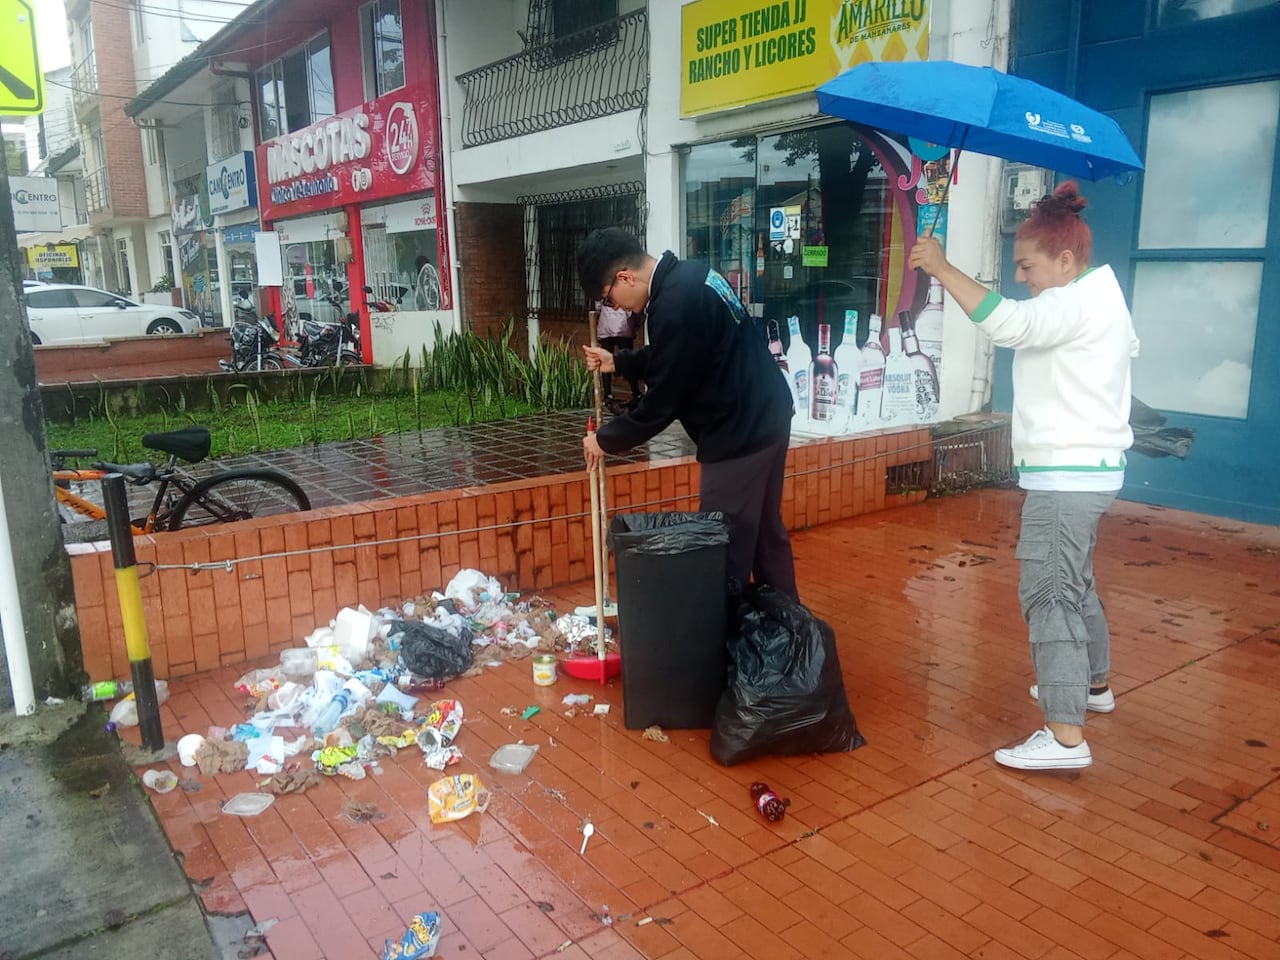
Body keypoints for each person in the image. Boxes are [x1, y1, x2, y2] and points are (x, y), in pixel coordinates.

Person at [908, 182, 1139, 772]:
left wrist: (941, 266)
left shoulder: (1072, 303)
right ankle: (1091, 686)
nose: (1023, 278)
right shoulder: (1100, 299)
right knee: (1075, 582)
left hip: (1067, 476)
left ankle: (1065, 736)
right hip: (1090, 472)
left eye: (1028, 266)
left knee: (1050, 592)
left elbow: (1006, 322)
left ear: (1065, 260)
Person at [577, 227, 798, 600]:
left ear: (624, 277)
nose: (615, 309)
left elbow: (664, 400)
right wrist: (620, 361)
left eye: (608, 299)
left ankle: (718, 648)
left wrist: (604, 440)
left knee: (720, 547)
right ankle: (787, 634)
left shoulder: (673, 305)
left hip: (739, 435)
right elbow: (683, 355)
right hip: (768, 414)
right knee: (763, 533)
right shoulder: (693, 275)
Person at [594, 298, 643, 412]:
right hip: (623, 324)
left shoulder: (606, 285)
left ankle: (607, 394)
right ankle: (636, 392)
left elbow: (598, 306)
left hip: (605, 324)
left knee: (605, 361)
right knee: (629, 360)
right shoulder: (624, 285)